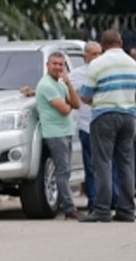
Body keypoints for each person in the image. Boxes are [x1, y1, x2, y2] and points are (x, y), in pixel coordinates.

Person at [79, 30, 136, 222]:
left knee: (103, 163)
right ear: (120, 43)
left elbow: (85, 95)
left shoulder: (97, 64)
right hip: (129, 117)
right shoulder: (132, 63)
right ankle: (127, 210)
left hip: (104, 116)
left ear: (102, 46)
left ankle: (102, 210)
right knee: (126, 163)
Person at [35, 51, 82, 219]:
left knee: (65, 171)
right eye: (54, 64)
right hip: (55, 133)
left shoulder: (61, 84)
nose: (58, 67)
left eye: (61, 64)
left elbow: (76, 104)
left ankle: (68, 206)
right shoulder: (46, 84)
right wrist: (68, 104)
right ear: (47, 65)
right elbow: (64, 110)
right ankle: (69, 209)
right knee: (62, 172)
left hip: (66, 132)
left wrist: (69, 84)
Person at [68, 41, 107, 211]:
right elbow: (59, 88)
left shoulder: (108, 72)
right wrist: (34, 91)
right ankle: (94, 201)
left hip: (107, 125)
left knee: (109, 165)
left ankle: (111, 200)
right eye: (94, 54)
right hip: (87, 126)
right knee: (91, 167)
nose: (98, 57)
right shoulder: (77, 75)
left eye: (100, 53)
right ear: (86, 56)